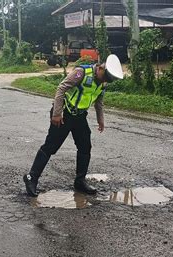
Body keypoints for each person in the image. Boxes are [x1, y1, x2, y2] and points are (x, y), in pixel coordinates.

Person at [23, 54, 124, 197]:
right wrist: (57, 113)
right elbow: (61, 88)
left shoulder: (103, 82)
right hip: (64, 114)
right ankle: (31, 178)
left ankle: (80, 181)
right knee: (51, 146)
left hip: (80, 116)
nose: (106, 81)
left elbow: (99, 102)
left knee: (85, 146)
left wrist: (100, 119)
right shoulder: (82, 72)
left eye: (109, 80)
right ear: (101, 67)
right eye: (106, 77)